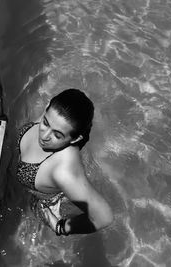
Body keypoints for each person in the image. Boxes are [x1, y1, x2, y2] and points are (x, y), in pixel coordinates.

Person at [17, 88, 113, 236]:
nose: (44, 135)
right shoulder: (55, 118)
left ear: (75, 139)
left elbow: (103, 217)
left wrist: (60, 227)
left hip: (40, 200)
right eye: (45, 122)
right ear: (47, 106)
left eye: (57, 135)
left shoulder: (63, 171)